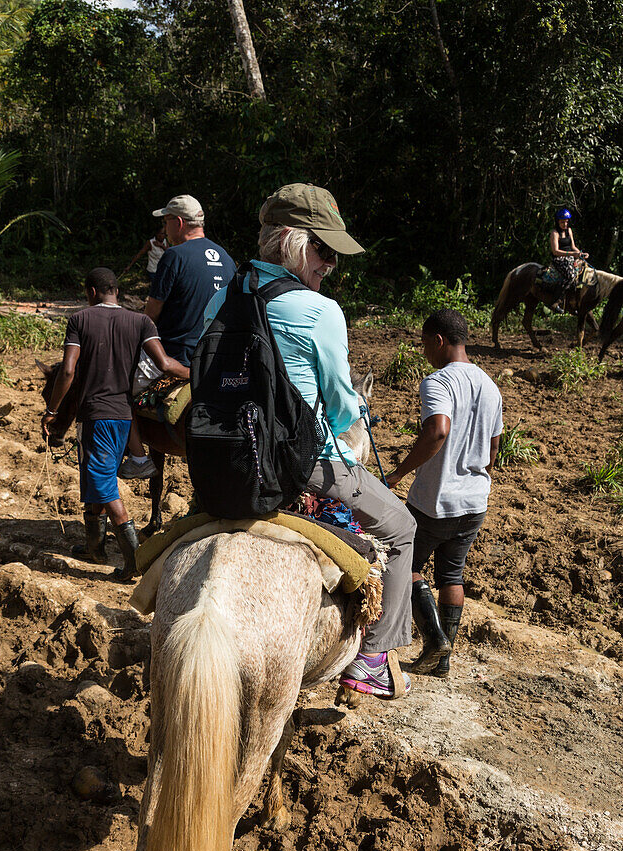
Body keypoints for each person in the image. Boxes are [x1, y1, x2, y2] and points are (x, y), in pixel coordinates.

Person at [203, 182, 416, 699]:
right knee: (404, 527)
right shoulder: (319, 312)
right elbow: (342, 409)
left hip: (224, 462)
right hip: (306, 464)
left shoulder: (220, 299)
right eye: (324, 251)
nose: (330, 265)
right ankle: (370, 660)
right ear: (295, 243)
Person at [41, 267, 188, 580]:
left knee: (104, 486)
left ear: (91, 292)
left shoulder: (80, 320)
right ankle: (94, 546)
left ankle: (135, 560)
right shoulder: (140, 321)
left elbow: (67, 371)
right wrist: (197, 374)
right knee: (97, 477)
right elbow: (164, 364)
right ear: (117, 292)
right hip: (124, 416)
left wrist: (53, 410)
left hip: (96, 415)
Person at [386, 309, 503, 677]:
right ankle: (444, 662)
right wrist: (479, 475)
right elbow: (495, 446)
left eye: (425, 345)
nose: (424, 353)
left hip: (435, 501)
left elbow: (438, 430)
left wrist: (398, 473)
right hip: (474, 501)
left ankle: (435, 641)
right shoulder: (490, 385)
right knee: (452, 575)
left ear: (439, 341)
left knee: (406, 567)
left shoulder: (438, 382)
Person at [145, 194, 237, 368]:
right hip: (215, 357)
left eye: (166, 222)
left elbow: (151, 315)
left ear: (179, 222)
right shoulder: (226, 258)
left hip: (177, 357)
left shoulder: (174, 256)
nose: (164, 229)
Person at [549, 207, 588, 306]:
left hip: (571, 257)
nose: (565, 224)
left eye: (566, 222)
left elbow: (573, 246)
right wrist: (572, 254)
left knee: (584, 271)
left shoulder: (569, 230)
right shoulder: (554, 233)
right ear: (558, 222)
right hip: (559, 259)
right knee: (570, 275)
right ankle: (556, 300)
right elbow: (555, 251)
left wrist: (580, 253)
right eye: (562, 222)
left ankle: (576, 299)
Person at [121, 224, 169, 294]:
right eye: (161, 233)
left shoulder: (164, 241)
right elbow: (139, 254)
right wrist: (129, 266)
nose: (163, 235)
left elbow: (169, 252)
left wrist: (161, 246)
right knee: (157, 288)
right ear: (157, 234)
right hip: (153, 270)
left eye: (164, 234)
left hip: (162, 269)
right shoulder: (150, 243)